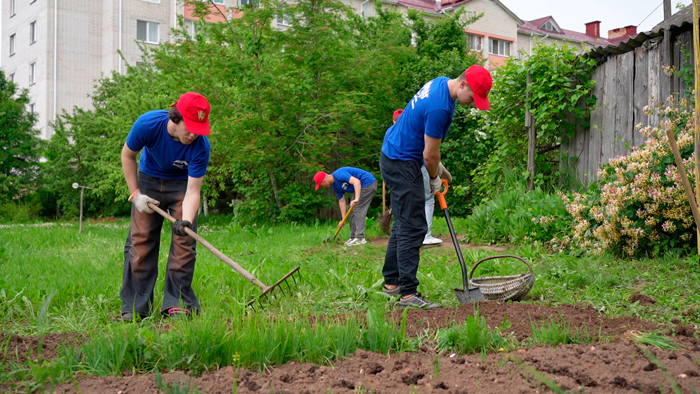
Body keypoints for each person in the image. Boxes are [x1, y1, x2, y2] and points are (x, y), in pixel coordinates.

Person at [381, 65, 492, 309]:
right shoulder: (441, 107)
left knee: (404, 221)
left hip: (393, 153)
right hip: (402, 161)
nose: (474, 104)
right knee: (414, 226)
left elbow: (422, 134)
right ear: (463, 84)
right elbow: (429, 155)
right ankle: (409, 294)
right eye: (474, 98)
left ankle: (392, 284)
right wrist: (434, 176)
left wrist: (438, 167)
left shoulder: (441, 83)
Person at [120, 92, 212, 321]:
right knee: (140, 242)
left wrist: (186, 221)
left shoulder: (201, 146)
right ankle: (135, 307)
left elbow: (193, 191)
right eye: (189, 127)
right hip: (148, 181)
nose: (192, 134)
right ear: (175, 117)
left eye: (198, 129)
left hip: (181, 186)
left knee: (185, 243)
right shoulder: (148, 124)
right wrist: (135, 194)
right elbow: (127, 155)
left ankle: (177, 303)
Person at [393, 109, 452, 247]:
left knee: (407, 201)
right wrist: (436, 172)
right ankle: (425, 236)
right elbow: (427, 153)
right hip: (418, 168)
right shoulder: (411, 130)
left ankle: (406, 236)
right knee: (427, 198)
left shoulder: (391, 134)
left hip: (399, 171)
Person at [314, 167, 378, 246]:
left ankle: (360, 238)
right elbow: (341, 201)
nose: (322, 186)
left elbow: (356, 182)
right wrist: (343, 219)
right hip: (361, 187)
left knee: (357, 209)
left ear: (323, 181)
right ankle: (353, 237)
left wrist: (357, 199)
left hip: (368, 183)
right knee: (350, 211)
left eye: (321, 185)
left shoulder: (339, 174)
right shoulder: (335, 186)